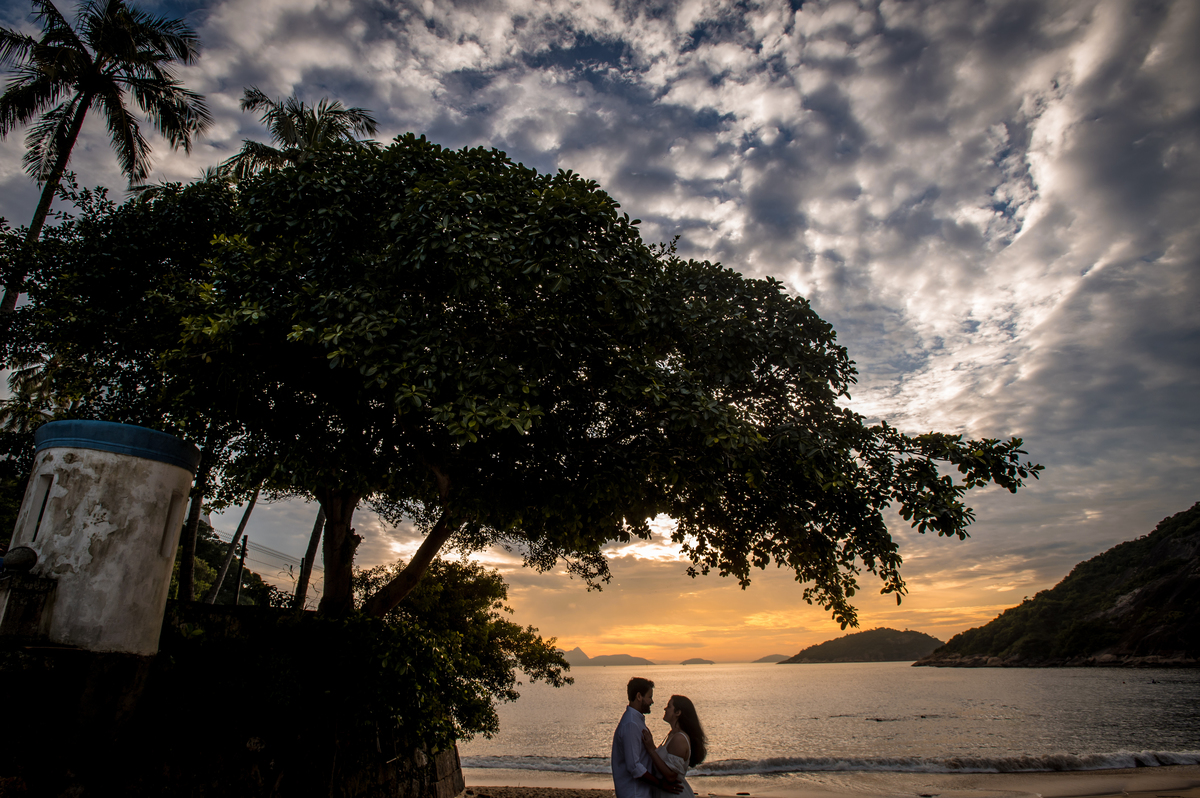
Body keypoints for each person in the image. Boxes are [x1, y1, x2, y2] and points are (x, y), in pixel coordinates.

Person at [612, 677, 682, 798]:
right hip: (634, 793)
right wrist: (661, 784)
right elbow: (634, 766)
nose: (652, 701)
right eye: (650, 697)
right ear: (639, 696)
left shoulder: (636, 721)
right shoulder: (631, 724)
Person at [640, 694, 707, 798]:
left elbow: (671, 776)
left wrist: (651, 749)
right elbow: (663, 762)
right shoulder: (672, 735)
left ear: (678, 712)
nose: (665, 709)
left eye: (669, 706)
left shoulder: (679, 739)